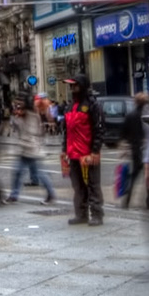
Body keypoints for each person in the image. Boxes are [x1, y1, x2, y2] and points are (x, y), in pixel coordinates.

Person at [60, 78, 104, 226]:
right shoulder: (70, 106)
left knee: (93, 184)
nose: (72, 88)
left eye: (75, 85)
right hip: (73, 153)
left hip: (87, 153)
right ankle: (81, 213)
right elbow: (66, 131)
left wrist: (95, 151)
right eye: (71, 86)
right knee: (77, 186)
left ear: (83, 86)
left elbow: (98, 130)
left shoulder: (92, 105)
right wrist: (64, 150)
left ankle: (97, 214)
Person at [7, 97, 58, 204]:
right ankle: (14, 195)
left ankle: (51, 194)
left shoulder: (33, 116)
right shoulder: (21, 117)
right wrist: (16, 118)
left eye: (20, 106)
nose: (18, 109)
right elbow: (16, 128)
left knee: (41, 174)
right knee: (17, 172)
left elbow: (31, 133)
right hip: (25, 151)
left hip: (33, 151)